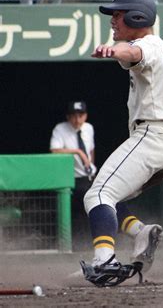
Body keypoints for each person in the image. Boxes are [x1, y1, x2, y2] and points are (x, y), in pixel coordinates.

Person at [80, 0, 163, 287]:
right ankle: (140, 232)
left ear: (138, 16)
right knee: (111, 194)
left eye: (118, 14)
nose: (113, 20)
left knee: (97, 195)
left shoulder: (146, 44)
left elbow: (133, 52)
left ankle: (105, 261)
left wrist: (114, 51)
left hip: (152, 135)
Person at [50, 101, 97, 250]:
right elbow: (54, 150)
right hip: (70, 179)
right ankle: (70, 247)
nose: (77, 120)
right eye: (73, 116)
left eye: (81, 115)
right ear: (68, 117)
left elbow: (91, 149)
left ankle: (91, 246)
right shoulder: (60, 129)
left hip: (88, 177)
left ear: (86, 116)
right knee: (73, 215)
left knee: (93, 211)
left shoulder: (89, 128)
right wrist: (78, 152)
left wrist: (90, 166)